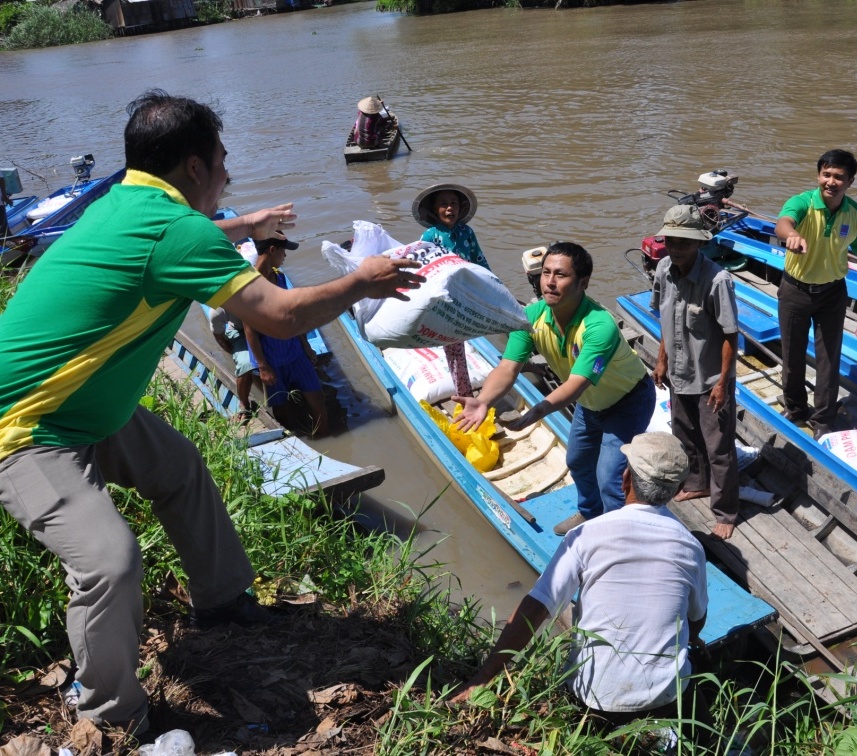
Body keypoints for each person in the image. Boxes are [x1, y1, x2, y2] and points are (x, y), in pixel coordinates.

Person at [0, 89, 423, 737]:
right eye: (222, 163)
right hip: (28, 424)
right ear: (195, 167)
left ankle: (222, 603)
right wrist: (363, 281)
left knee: (178, 468)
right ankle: (109, 714)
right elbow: (283, 317)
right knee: (109, 562)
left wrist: (248, 225)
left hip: (87, 406)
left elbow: (189, 235)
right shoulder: (178, 232)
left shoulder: (122, 202)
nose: (227, 175)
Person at [452, 432, 711, 746]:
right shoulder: (691, 547)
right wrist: (691, 636)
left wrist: (484, 677)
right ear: (678, 490)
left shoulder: (586, 534)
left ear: (625, 479)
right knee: (696, 709)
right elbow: (697, 619)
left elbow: (536, 607)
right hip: (666, 696)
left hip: (595, 697)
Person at [453, 242, 655, 535]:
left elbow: (575, 385)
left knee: (610, 478)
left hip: (628, 401)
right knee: (577, 461)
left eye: (560, 275)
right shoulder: (531, 318)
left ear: (583, 282)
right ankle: (590, 512)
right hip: (591, 402)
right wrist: (483, 400)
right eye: (546, 273)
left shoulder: (599, 326)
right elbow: (508, 367)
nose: (549, 281)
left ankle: (618, 537)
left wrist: (538, 411)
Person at [775, 149, 857, 439]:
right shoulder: (802, 202)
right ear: (819, 175)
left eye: (839, 177)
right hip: (795, 290)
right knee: (792, 354)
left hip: (832, 293)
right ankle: (795, 408)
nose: (831, 182)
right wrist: (791, 235)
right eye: (826, 174)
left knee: (829, 358)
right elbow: (783, 223)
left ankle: (823, 420)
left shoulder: (854, 213)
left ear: (850, 181)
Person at [651, 204, 740, 541]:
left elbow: (730, 334)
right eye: (671, 241)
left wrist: (722, 383)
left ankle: (726, 511)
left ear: (699, 243)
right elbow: (665, 319)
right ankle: (697, 483)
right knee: (685, 435)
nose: (676, 248)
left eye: (684, 242)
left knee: (719, 448)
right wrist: (661, 360)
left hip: (710, 377)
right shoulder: (663, 269)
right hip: (679, 372)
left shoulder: (718, 280)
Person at [244, 230, 329, 438]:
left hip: (294, 351)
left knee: (317, 399)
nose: (285, 256)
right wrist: (263, 366)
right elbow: (249, 330)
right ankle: (295, 442)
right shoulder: (250, 286)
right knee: (281, 409)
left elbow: (292, 316)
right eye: (283, 251)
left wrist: (306, 346)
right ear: (272, 250)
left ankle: (323, 437)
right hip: (271, 358)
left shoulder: (279, 277)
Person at [413, 182, 489, 396]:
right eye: (443, 204)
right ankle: (464, 394)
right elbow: (421, 268)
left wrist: (493, 287)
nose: (449, 208)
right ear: (433, 209)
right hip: (444, 300)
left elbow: (479, 260)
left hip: (467, 294)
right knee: (454, 348)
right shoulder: (430, 236)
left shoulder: (466, 232)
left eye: (454, 203)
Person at [209, 305, 261, 421]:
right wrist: (239, 353)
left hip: (264, 327)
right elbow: (220, 339)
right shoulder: (218, 311)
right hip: (240, 332)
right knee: (245, 364)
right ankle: (244, 403)